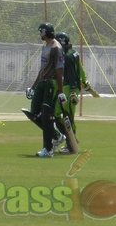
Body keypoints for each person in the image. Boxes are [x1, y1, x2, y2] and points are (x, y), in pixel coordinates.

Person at [24, 22, 67, 157]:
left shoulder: (56, 47)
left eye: (40, 31)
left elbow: (60, 69)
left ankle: (47, 149)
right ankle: (57, 136)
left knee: (47, 114)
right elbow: (42, 69)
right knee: (34, 112)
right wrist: (34, 86)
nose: (40, 34)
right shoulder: (45, 47)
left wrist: (60, 90)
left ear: (45, 32)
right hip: (43, 82)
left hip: (52, 83)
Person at [54, 31, 88, 153]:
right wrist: (83, 82)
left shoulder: (67, 56)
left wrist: (73, 91)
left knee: (66, 115)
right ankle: (71, 139)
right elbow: (81, 70)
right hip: (72, 87)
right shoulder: (74, 53)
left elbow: (72, 75)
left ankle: (70, 144)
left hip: (69, 87)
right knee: (59, 113)